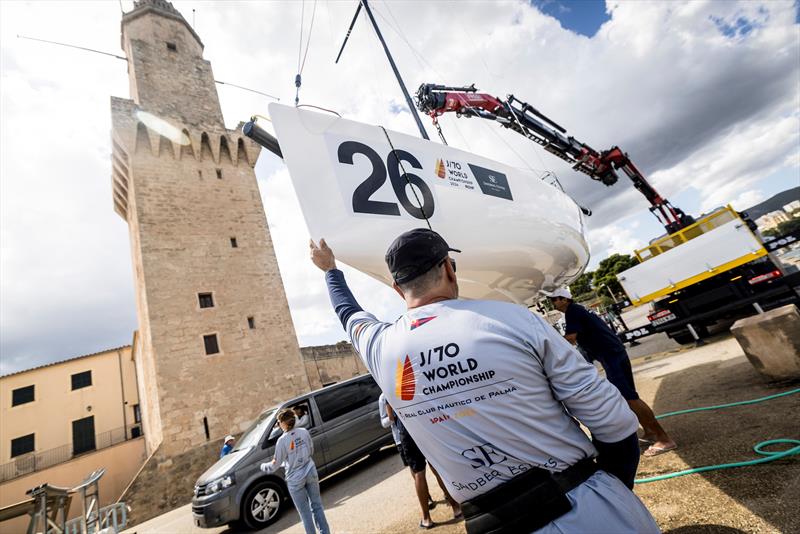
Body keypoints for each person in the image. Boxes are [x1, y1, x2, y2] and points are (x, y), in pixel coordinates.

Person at [309, 230, 659, 533]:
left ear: (398, 289)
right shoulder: (511, 319)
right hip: (583, 507)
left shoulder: (378, 347)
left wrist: (330, 271)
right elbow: (610, 419)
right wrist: (611, 487)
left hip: (494, 524)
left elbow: (348, 314)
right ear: (448, 267)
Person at [544, 287, 676, 458]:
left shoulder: (572, 311)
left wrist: (546, 346)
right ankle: (651, 433)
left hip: (611, 355)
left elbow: (570, 339)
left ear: (564, 299)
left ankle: (664, 439)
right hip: (613, 353)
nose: (553, 304)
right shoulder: (578, 310)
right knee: (627, 397)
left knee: (630, 398)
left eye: (554, 300)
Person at [380, 393, 461, 528]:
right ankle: (456, 507)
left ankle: (426, 519)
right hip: (424, 426)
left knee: (418, 473)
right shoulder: (415, 381)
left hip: (407, 431)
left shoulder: (388, 388)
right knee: (436, 468)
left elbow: (391, 417)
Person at [261, 409, 330, 534]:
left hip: (295, 479)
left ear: (283, 423)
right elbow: (310, 450)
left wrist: (263, 466)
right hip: (310, 470)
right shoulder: (304, 432)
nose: (278, 424)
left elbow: (274, 465)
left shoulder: (282, 441)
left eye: (278, 422)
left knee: (305, 513)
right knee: (317, 505)